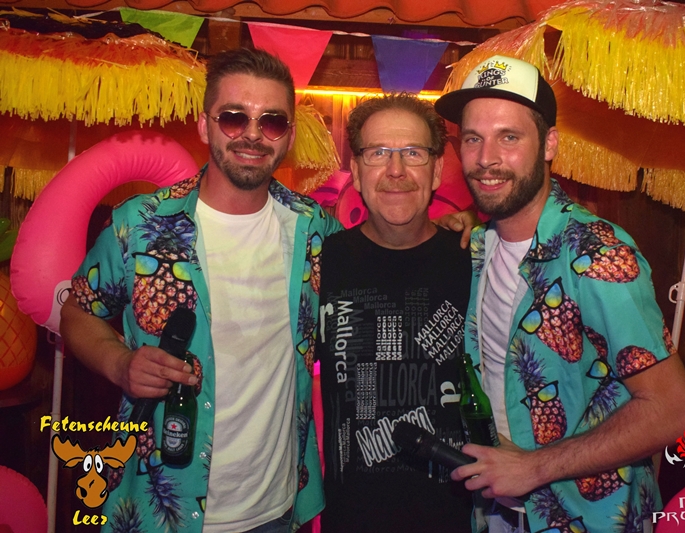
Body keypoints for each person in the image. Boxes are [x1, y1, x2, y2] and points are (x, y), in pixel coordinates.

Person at [60, 48, 342, 533]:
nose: (252, 134)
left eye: (272, 122)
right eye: (234, 117)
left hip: (276, 510)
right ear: (205, 126)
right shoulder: (140, 223)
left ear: (290, 137)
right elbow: (78, 312)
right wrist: (120, 364)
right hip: (161, 507)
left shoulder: (314, 227)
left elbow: (383, 255)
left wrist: (453, 227)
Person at [434, 55, 685, 533]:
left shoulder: (598, 255)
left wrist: (533, 468)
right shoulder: (475, 247)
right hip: (495, 513)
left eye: (509, 137)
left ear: (549, 144)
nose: (486, 158)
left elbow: (674, 411)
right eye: (473, 138)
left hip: (590, 518)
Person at [316, 93, 473, 532]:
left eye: (413, 153)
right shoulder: (321, 261)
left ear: (437, 170)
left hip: (455, 517)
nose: (396, 170)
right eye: (379, 153)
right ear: (356, 172)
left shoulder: (474, 260)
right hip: (351, 517)